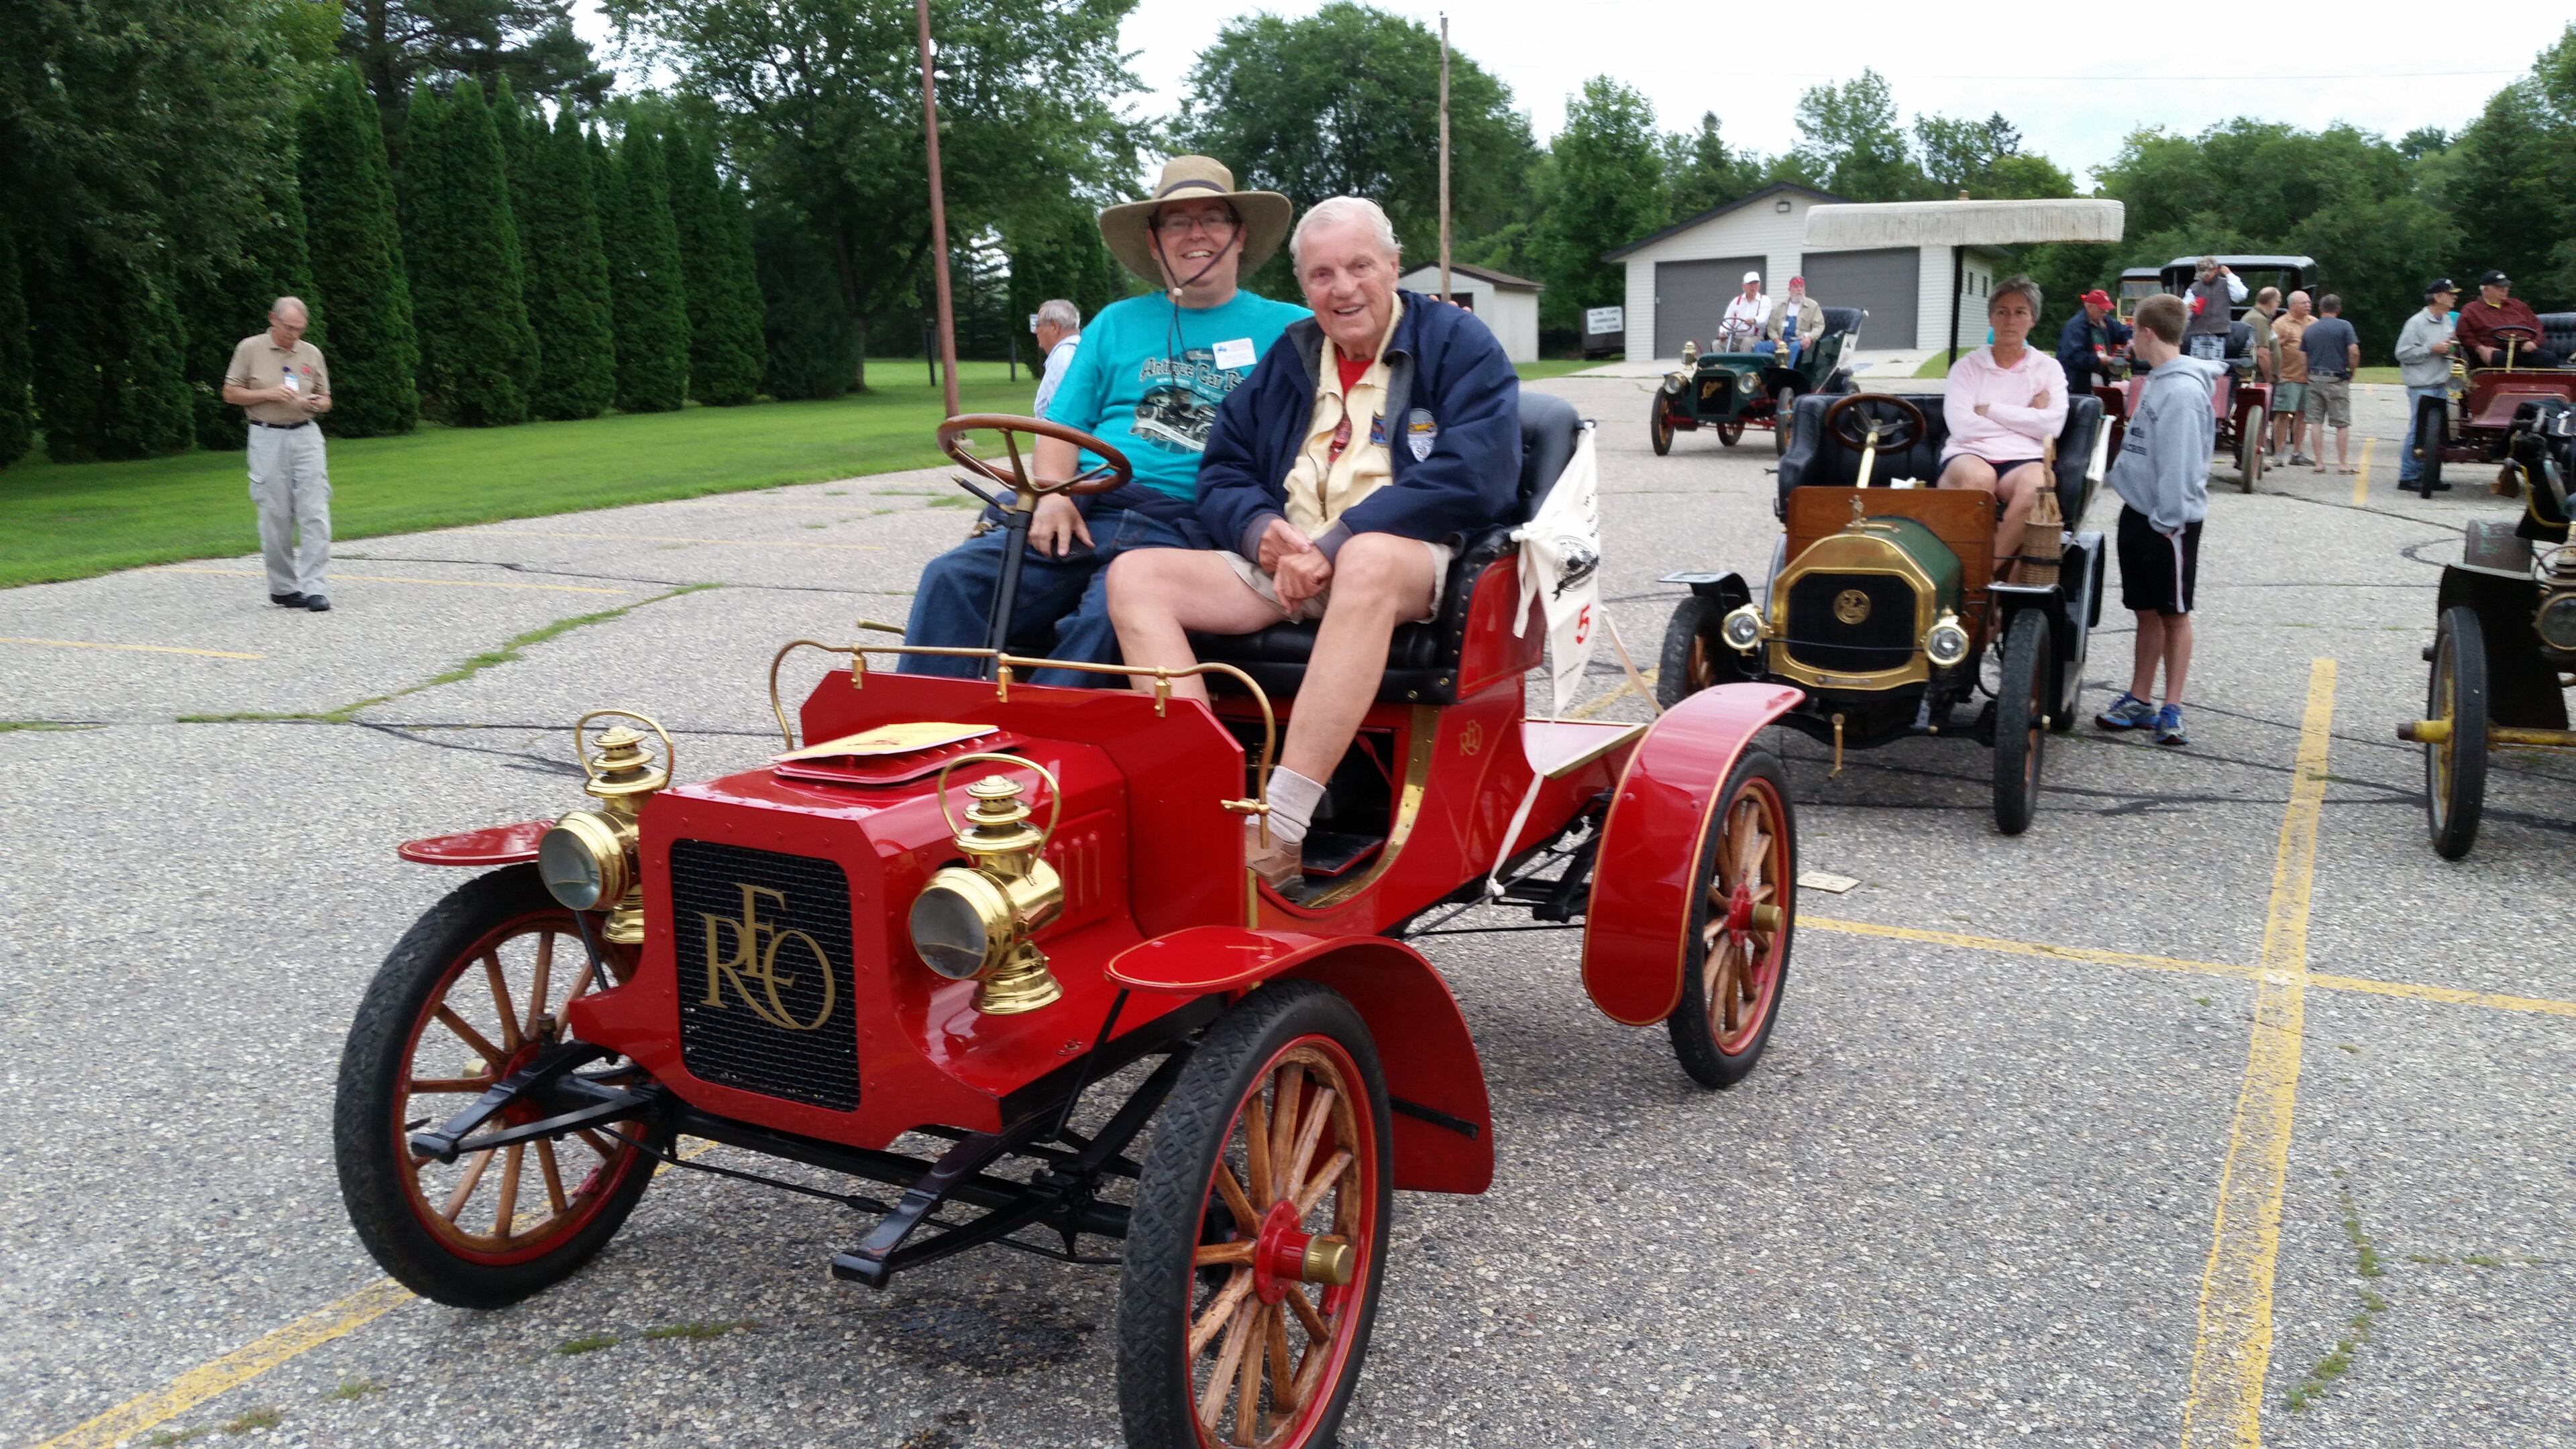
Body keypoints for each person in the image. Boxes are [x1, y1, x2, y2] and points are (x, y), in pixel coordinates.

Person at [1105, 197, 1519, 894]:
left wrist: (1342, 538)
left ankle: (1282, 829)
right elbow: (1225, 469)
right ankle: (1204, 806)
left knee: (1367, 558)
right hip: (1294, 562)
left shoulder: (1458, 344)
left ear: (1393, 265)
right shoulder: (1293, 356)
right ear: (1305, 287)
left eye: (1360, 266)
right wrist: (1260, 532)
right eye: (1322, 274)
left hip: (1407, 561)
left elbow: (1479, 474)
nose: (1343, 287)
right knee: (1134, 576)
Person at [898, 158, 1306, 684]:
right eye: (1177, 222)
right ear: (1155, 242)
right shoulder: (1116, 322)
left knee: (1103, 618)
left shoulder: (1293, 329)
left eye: (1213, 219)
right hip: (1089, 509)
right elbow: (1060, 427)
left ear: (1240, 235)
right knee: (953, 578)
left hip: (1187, 527)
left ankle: (1043, 757)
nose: (1196, 234)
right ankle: (919, 740)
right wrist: (1052, 494)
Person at [2094, 294, 2218, 749]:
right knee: (2145, 610)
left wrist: (2168, 522)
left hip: (2168, 523)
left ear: (2147, 333)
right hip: (2139, 513)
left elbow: (2182, 466)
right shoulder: (2157, 380)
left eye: (2133, 333)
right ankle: (2139, 699)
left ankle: (2172, 707)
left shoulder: (2183, 391)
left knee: (2174, 612)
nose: (2129, 341)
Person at [1939, 275, 2066, 571]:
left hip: (2024, 459)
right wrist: (2027, 416)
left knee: (2040, 484)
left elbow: (2052, 428)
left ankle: (1980, 573)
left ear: (2032, 319)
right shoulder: (1967, 368)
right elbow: (1962, 426)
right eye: (2003, 312)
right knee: (1980, 479)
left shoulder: (2048, 368)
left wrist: (1991, 409)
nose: (2011, 320)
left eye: (2020, 312)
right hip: (1969, 452)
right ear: (1991, 318)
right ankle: (1972, 571)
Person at [221, 297, 334, 612]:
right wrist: (268, 394)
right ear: (272, 319)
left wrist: (318, 404)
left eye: (300, 329)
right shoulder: (250, 349)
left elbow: (326, 398)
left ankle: (315, 588)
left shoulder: (311, 353)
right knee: (275, 514)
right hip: (266, 435)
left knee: (315, 511)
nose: (294, 335)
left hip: (306, 434)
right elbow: (230, 393)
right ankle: (283, 588)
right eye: (288, 328)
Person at [2396, 278, 2459, 494]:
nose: (2454, 298)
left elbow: (2447, 347)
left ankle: (2429, 475)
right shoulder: (2416, 323)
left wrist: (2451, 349)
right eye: (2451, 294)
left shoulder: (2447, 321)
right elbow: (2402, 353)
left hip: (2442, 382)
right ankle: (2408, 476)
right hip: (2422, 385)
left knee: (2437, 434)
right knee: (2418, 431)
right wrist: (2431, 349)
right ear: (2438, 297)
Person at [2299, 294, 2361, 475]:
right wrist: (2352, 371)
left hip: (2314, 378)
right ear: (2339, 309)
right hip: (2336, 378)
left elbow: (2303, 355)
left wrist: (2307, 374)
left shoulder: (2310, 329)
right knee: (2341, 422)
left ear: (2321, 309)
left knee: (2316, 422)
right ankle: (2342, 463)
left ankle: (2319, 463)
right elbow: (2354, 351)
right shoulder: (2345, 326)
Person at [2455, 270, 2562, 368]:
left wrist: (2534, 342)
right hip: (2494, 351)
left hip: (2523, 349)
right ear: (2485, 290)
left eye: (2506, 286)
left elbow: (2537, 327)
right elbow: (2464, 336)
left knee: (2549, 358)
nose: (2505, 290)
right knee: (2500, 358)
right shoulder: (2471, 310)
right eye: (2499, 287)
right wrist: (2480, 348)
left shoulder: (2518, 306)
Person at [2054, 288, 2134, 398]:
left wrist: (2132, 339)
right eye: (2102, 308)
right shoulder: (2075, 327)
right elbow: (2073, 356)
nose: (2105, 311)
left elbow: (2123, 331)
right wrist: (2099, 360)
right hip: (2077, 383)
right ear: (2089, 306)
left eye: (2106, 308)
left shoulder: (2105, 321)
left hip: (2099, 378)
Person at [2270, 290, 2314, 464]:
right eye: (2304, 303)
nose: (2308, 305)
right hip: (2287, 377)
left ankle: (2298, 453)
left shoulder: (2314, 323)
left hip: (2308, 378)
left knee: (2302, 415)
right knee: (2282, 415)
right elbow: (2272, 348)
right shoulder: (2280, 324)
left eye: (2309, 302)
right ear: (2292, 306)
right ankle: (2279, 453)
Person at [2182, 257, 2245, 361]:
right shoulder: (2194, 287)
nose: (2204, 278)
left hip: (2219, 333)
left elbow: (2240, 296)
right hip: (2198, 333)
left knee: (2215, 365)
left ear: (2215, 270)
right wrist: (2188, 307)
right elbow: (2184, 309)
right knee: (2197, 365)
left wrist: (2230, 275)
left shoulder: (2227, 284)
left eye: (2206, 274)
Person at [1029, 299, 1081, 417]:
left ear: (1054, 327)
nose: (1036, 331)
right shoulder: (1080, 351)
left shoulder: (1063, 357)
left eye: (1038, 325)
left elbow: (1063, 414)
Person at [2242, 286, 2279, 451]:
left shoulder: (2259, 317)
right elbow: (2262, 353)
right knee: (2260, 417)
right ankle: (2255, 452)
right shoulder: (2259, 319)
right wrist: (2269, 378)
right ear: (2271, 302)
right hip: (2259, 377)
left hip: (2259, 375)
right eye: (2278, 302)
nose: (2278, 306)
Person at [1758, 276, 1823, 367]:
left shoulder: (1813, 306)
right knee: (1759, 347)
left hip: (1799, 341)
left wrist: (1809, 338)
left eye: (1801, 286)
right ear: (1790, 289)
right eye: (1796, 287)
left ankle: (1787, 376)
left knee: (1794, 348)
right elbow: (1771, 328)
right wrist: (1777, 341)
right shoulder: (1779, 307)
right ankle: (1761, 377)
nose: (1799, 289)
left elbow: (1819, 326)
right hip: (1781, 341)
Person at [1715, 271, 1768, 353]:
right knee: (1716, 344)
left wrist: (1754, 321)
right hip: (1735, 338)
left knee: (1747, 342)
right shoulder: (1736, 301)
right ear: (1744, 286)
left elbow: (1764, 318)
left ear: (1759, 285)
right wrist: (1723, 332)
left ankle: (1744, 365)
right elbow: (1727, 321)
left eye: (1755, 283)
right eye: (1750, 284)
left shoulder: (1764, 300)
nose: (1753, 286)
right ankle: (1721, 365)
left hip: (1755, 338)